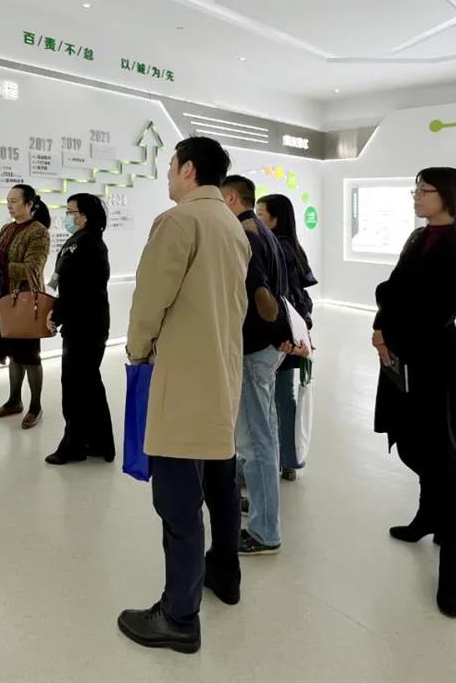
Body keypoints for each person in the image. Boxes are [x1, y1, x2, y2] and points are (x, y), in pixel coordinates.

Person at [117, 137, 250, 654]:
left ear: (189, 169)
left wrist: (136, 351)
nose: (168, 175)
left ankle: (179, 617)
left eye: (171, 166)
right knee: (218, 486)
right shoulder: (231, 225)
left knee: (177, 505)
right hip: (220, 377)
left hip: (181, 381)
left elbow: (150, 301)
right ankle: (223, 576)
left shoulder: (178, 222)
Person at [372, 167, 456, 618]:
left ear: (449, 196)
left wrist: (391, 328)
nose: (416, 196)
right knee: (411, 438)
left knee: (443, 454)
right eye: (415, 189)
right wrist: (381, 327)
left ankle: (450, 566)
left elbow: (438, 309)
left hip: (434, 357)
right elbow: (393, 289)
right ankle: (426, 515)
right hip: (401, 353)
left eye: (424, 190)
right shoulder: (418, 237)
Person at [221, 175, 291, 556]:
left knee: (254, 439)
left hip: (254, 350)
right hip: (268, 348)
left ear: (231, 197)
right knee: (265, 431)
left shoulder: (245, 234)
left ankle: (265, 531)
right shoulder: (264, 232)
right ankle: (263, 506)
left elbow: (262, 298)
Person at [43, 193, 114, 465]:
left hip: (86, 324)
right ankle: (99, 442)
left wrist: (57, 313)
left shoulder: (90, 245)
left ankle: (75, 445)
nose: (67, 217)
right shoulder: (81, 241)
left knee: (77, 386)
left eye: (71, 212)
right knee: (88, 383)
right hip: (83, 322)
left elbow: (79, 289)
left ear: (84, 216)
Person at [257, 194, 318, 482]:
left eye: (260, 213)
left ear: (275, 219)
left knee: (273, 398)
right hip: (294, 331)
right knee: (284, 395)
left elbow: (281, 298)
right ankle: (290, 459)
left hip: (282, 334)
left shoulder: (275, 249)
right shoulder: (294, 248)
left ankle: (273, 460)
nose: (255, 218)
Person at [0, 184, 51, 430]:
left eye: (14, 201)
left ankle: (35, 406)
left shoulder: (38, 231)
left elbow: (32, 269)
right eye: (8, 201)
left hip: (25, 302)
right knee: (14, 354)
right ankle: (14, 401)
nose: (10, 206)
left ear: (29, 204)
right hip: (5, 300)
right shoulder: (7, 228)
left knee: (30, 356)